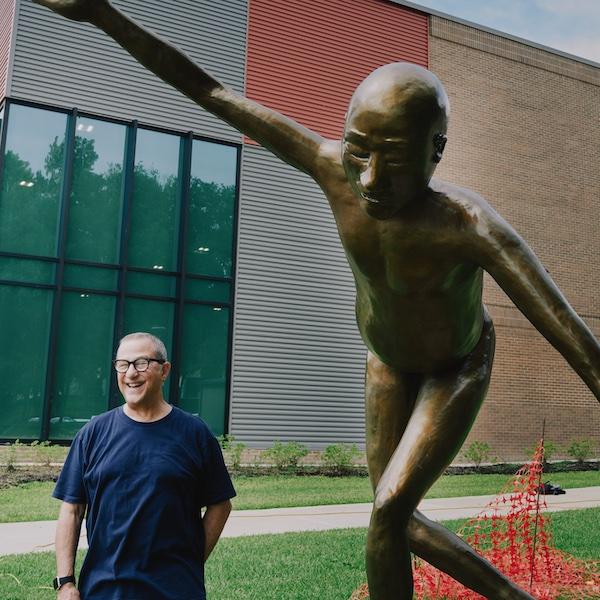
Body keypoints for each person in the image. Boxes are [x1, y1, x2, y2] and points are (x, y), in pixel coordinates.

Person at [36, 1, 600, 598]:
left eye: (398, 159)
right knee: (390, 523)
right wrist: (101, 14)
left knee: (387, 513)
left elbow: (570, 335)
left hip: (455, 367)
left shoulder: (469, 225)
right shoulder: (331, 167)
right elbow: (212, 91)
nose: (372, 180)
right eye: (360, 151)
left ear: (436, 152)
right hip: (385, 361)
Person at [52, 332, 235, 599]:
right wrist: (65, 582)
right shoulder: (92, 433)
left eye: (141, 363)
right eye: (122, 364)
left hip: (176, 590)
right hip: (104, 589)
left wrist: (191, 561)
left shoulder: (195, 434)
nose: (130, 373)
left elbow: (221, 504)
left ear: (164, 370)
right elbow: (72, 509)